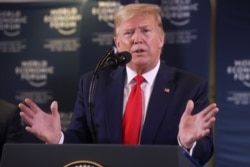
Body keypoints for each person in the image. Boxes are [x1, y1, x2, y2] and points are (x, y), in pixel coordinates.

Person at [18, 3, 219, 166]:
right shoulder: (93, 83)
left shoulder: (190, 87)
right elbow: (81, 143)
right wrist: (58, 139)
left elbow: (204, 152)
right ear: (117, 44)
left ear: (161, 39)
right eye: (129, 33)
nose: (137, 39)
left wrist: (185, 143)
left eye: (146, 31)